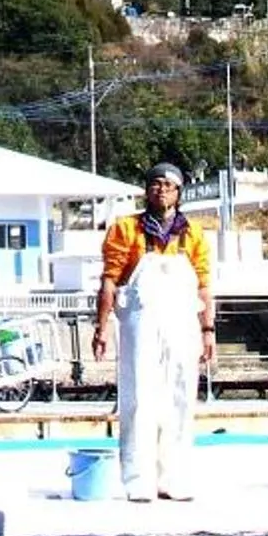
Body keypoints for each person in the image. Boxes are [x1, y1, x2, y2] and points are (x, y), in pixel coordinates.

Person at [90, 161, 214, 501]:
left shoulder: (193, 233)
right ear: (147, 190)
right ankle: (137, 478)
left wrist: (208, 329)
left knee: (180, 396)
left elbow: (203, 285)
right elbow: (110, 280)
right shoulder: (125, 229)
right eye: (156, 184)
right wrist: (102, 327)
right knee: (139, 397)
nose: (162, 190)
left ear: (179, 193)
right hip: (140, 323)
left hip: (181, 323)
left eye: (169, 185)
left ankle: (172, 477)